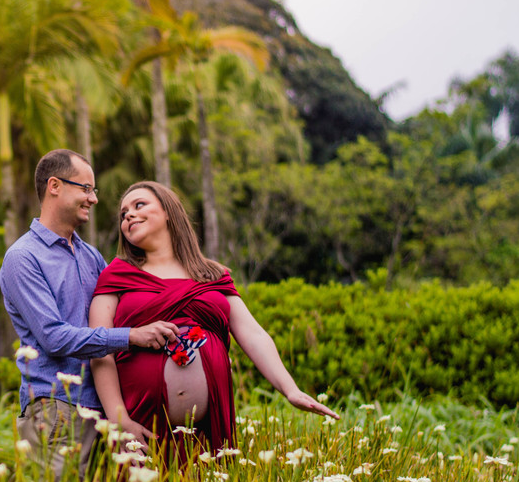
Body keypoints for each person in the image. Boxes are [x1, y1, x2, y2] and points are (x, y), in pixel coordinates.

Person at [89, 181, 337, 463]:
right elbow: (100, 347)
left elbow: (253, 334)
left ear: (169, 211)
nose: (128, 215)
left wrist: (290, 389)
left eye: (139, 205)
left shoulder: (211, 274)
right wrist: (118, 418)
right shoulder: (116, 275)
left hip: (207, 433)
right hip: (141, 427)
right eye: (123, 214)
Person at [0, 152, 175, 482]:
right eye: (86, 188)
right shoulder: (23, 258)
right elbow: (53, 337)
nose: (94, 198)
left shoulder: (91, 255)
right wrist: (134, 337)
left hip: (103, 409)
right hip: (56, 408)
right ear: (55, 186)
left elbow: (124, 308)